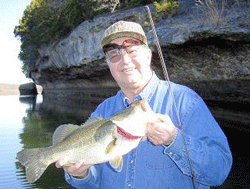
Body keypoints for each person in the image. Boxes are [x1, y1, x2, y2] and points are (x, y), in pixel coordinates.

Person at [56, 21, 232, 189]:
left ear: (148, 55)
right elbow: (93, 183)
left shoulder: (186, 101)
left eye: (132, 50)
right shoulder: (103, 111)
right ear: (109, 65)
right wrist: (80, 175)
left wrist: (174, 139)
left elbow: (219, 172)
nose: (124, 60)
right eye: (114, 55)